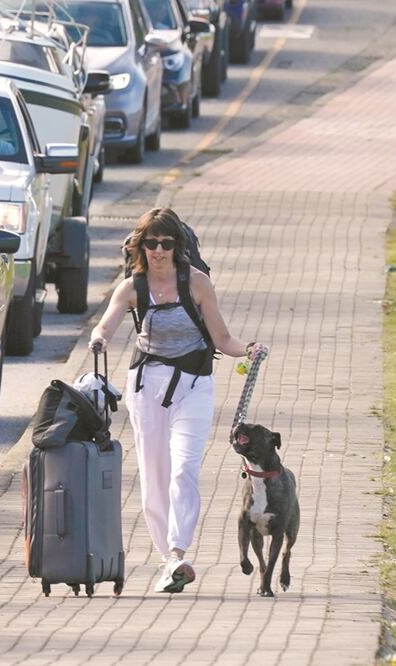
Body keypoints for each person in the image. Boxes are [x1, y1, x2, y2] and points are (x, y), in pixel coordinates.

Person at [87, 207, 264, 594]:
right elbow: (108, 322)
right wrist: (99, 338)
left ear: (177, 247)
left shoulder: (197, 284)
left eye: (166, 243)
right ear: (141, 246)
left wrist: (248, 349)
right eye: (151, 243)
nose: (158, 250)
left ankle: (177, 549)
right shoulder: (132, 287)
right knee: (154, 475)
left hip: (193, 385)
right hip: (146, 386)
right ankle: (169, 563)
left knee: (184, 468)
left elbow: (222, 339)